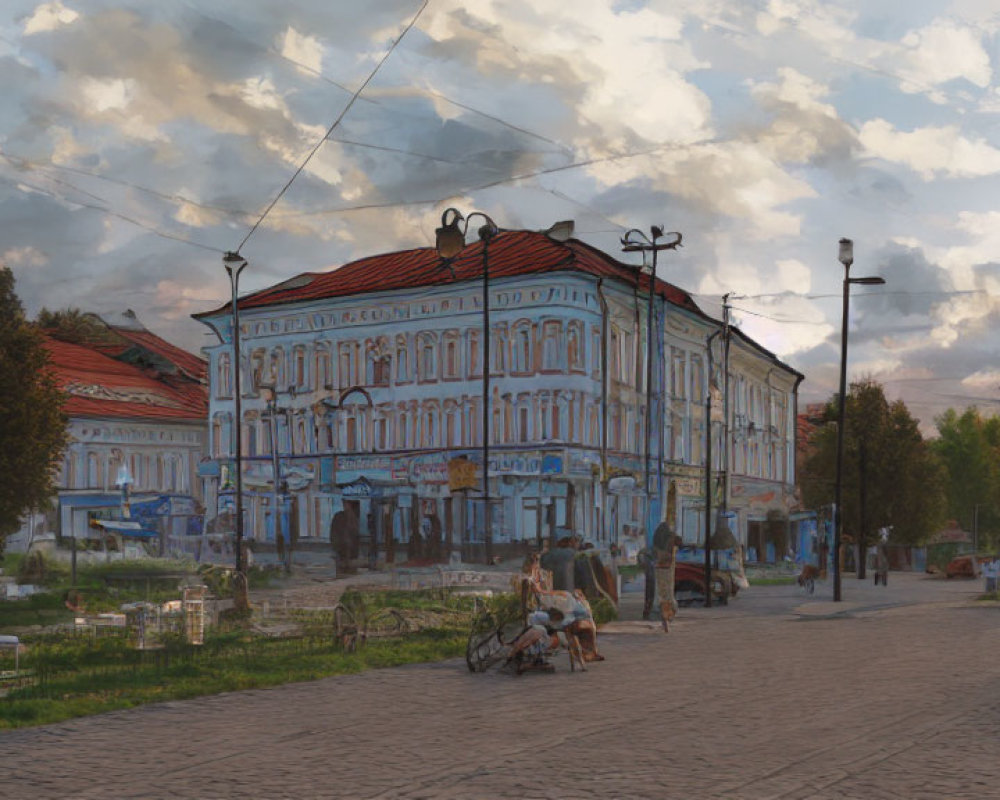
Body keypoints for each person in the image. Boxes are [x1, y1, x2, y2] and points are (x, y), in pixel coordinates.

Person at [652, 521, 679, 632]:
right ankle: (668, 618)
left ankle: (665, 620)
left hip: (659, 569)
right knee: (668, 594)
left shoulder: (657, 543)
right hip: (668, 570)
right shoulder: (671, 542)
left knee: (662, 594)